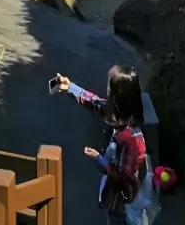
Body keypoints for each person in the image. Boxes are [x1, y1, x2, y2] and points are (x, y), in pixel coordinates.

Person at [53, 65, 149, 219]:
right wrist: (70, 87)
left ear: (119, 97)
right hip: (111, 193)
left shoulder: (133, 138)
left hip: (123, 204)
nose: (107, 93)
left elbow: (125, 177)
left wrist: (99, 158)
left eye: (111, 90)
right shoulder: (117, 112)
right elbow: (94, 102)